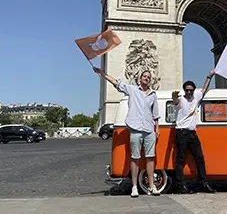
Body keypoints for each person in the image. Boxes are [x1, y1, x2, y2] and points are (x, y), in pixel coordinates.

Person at [93, 67, 160, 198]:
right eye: (144, 76)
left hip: (148, 129)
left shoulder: (153, 95)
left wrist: (157, 128)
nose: (146, 78)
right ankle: (134, 187)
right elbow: (116, 83)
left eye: (148, 77)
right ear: (139, 79)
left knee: (150, 158)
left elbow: (155, 114)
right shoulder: (132, 90)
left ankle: (152, 186)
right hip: (135, 128)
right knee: (135, 158)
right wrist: (102, 73)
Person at [171, 70, 216, 194]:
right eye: (187, 90)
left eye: (191, 90)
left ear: (193, 90)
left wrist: (209, 76)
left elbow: (204, 89)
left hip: (192, 134)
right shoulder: (180, 100)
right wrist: (174, 97)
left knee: (200, 158)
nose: (189, 92)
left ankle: (204, 183)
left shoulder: (196, 97)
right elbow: (175, 102)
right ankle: (180, 186)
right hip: (181, 133)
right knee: (180, 160)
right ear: (184, 90)